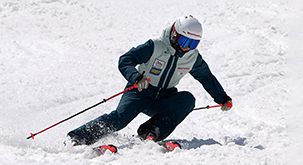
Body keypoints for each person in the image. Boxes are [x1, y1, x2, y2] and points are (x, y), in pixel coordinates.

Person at [67, 16, 232, 150]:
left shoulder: (192, 57)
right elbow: (125, 60)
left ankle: (151, 132)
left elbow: (206, 77)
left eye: (193, 44)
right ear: (175, 34)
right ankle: (78, 136)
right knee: (120, 119)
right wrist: (136, 77)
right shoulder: (156, 46)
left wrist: (222, 98)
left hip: (164, 96)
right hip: (140, 90)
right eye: (184, 42)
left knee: (187, 99)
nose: (187, 47)